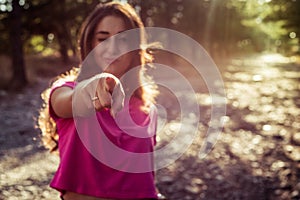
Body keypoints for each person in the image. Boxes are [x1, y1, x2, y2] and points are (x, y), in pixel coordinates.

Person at [38, 2, 161, 200]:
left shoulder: (146, 108)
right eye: (102, 38)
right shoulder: (66, 91)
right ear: (90, 44)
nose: (112, 48)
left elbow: (145, 178)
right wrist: (94, 86)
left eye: (122, 40)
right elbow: (67, 102)